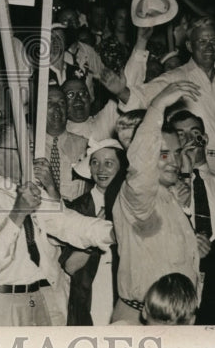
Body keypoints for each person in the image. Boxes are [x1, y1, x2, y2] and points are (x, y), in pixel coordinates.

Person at [0, 124, 113, 326]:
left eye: (32, 147)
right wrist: (18, 213)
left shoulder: (30, 191)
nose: (32, 155)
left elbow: (67, 222)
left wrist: (112, 231)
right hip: (1, 306)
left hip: (37, 299)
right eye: (25, 147)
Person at [110, 82, 201, 324]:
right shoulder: (138, 195)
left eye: (177, 153)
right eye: (162, 154)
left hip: (174, 319)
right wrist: (157, 105)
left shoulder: (168, 196)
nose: (174, 162)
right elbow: (141, 167)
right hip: (142, 320)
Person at [132, 17, 215, 178]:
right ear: (189, 46)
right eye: (202, 41)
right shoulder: (177, 77)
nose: (209, 46)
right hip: (192, 164)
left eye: (213, 40)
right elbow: (135, 99)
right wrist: (119, 88)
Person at [167, 109, 215, 324]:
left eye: (195, 132)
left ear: (205, 138)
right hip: (184, 279)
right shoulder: (167, 188)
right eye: (181, 135)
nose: (190, 140)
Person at [62, 138, 126, 325]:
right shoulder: (78, 208)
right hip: (92, 292)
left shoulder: (131, 205)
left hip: (124, 290)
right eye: (95, 163)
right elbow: (70, 266)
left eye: (108, 163)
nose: (100, 169)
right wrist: (95, 231)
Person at [40, 85, 88, 202]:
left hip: (74, 214)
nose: (56, 108)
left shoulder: (84, 146)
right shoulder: (27, 146)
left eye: (61, 103)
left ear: (67, 110)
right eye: (49, 103)